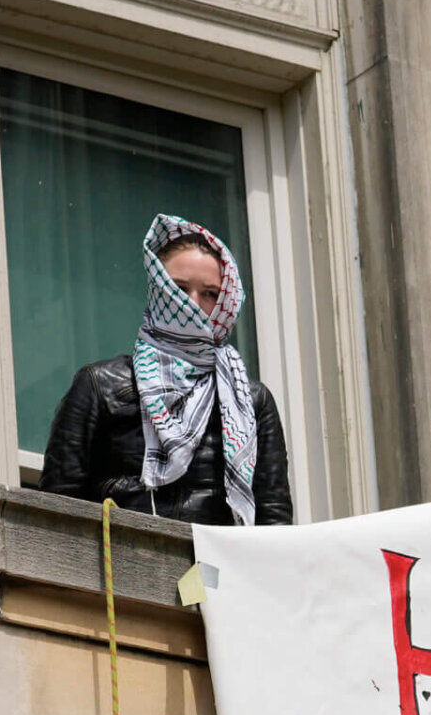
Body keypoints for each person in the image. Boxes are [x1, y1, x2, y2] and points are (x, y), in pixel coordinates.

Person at [40, 214, 292, 525]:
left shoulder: (251, 400)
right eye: (179, 288)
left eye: (210, 293)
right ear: (158, 290)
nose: (192, 302)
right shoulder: (98, 385)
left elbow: (274, 519)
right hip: (119, 564)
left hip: (220, 568)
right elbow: (56, 509)